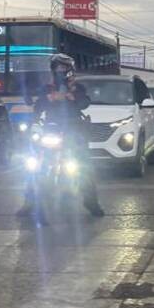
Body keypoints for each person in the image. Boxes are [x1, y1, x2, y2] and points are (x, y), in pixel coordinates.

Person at [18, 53, 105, 219]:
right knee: (34, 165)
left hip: (73, 129)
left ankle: (91, 202)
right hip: (51, 129)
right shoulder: (47, 89)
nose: (60, 71)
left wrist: (71, 96)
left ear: (70, 70)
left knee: (84, 166)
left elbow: (85, 103)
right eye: (57, 68)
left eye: (63, 68)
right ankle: (29, 202)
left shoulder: (77, 88)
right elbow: (37, 108)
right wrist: (48, 100)